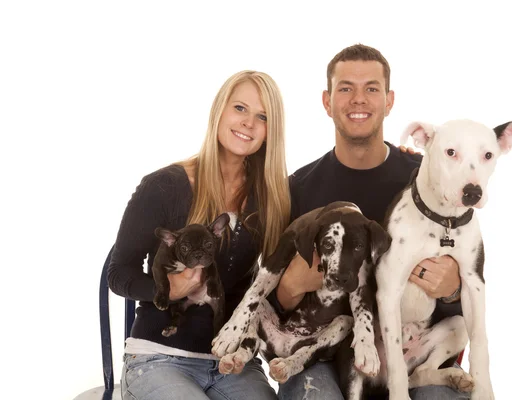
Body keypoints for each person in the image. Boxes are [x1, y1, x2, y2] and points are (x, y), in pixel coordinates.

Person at [269, 44, 467, 400]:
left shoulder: (424, 179)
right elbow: (274, 303)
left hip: (415, 353)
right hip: (324, 357)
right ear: (327, 101)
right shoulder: (297, 190)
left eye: (371, 88)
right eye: (346, 88)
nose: (358, 99)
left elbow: (468, 275)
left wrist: (451, 287)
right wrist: (290, 288)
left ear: (389, 101)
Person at [107, 70, 290, 400]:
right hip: (158, 357)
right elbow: (119, 273)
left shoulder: (272, 197)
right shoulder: (164, 186)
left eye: (262, 116)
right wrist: (167, 289)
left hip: (234, 362)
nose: (248, 122)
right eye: (239, 108)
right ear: (219, 110)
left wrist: (405, 158)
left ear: (271, 130)